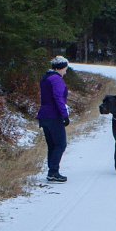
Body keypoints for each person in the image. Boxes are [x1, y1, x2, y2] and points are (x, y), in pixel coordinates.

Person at [37, 55, 70, 183]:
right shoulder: (56, 79)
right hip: (53, 115)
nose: (66, 71)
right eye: (65, 69)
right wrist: (65, 115)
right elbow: (58, 98)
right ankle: (53, 172)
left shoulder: (46, 78)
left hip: (44, 115)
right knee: (61, 144)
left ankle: (52, 172)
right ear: (60, 68)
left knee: (52, 145)